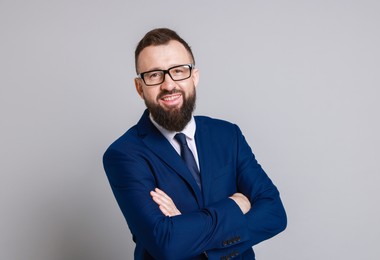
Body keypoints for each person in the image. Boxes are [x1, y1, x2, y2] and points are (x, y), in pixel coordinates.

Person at [103, 28, 287, 260]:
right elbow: (166, 244)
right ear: (140, 87)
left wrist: (187, 230)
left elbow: (274, 214)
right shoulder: (123, 154)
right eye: (154, 75)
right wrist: (235, 205)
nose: (169, 85)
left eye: (178, 71)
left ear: (194, 77)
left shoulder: (228, 135)